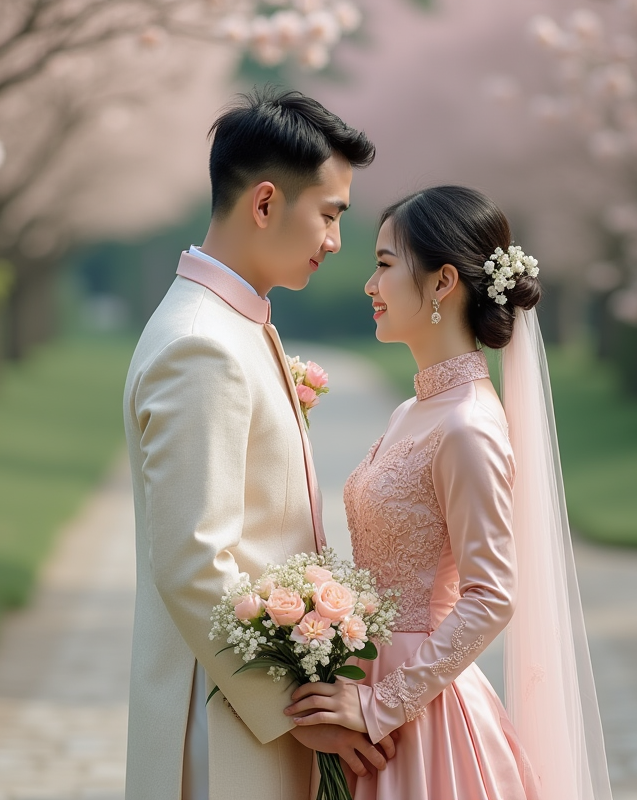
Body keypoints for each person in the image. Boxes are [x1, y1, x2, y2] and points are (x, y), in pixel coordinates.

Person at [284, 186, 613, 800]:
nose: (369, 285)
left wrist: (382, 704)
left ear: (442, 284)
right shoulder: (415, 408)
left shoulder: (466, 425)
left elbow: (491, 596)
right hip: (364, 688)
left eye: (384, 264)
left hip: (419, 717)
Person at [122, 87, 394, 800]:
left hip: (242, 712)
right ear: (267, 203)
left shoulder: (233, 324)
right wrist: (297, 710)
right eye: (330, 214)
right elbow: (192, 558)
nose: (336, 241)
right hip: (225, 726)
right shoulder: (202, 347)